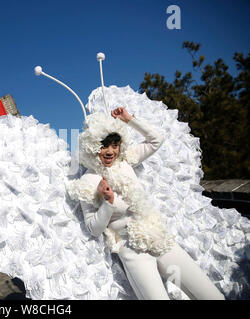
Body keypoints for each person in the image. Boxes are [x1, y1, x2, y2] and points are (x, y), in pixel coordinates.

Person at [69, 106, 225, 300]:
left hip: (158, 237)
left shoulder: (125, 161)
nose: (110, 151)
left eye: (115, 145)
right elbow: (93, 228)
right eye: (104, 145)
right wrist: (108, 202)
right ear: (91, 146)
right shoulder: (87, 181)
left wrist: (129, 119)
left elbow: (156, 139)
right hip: (132, 249)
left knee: (211, 296)